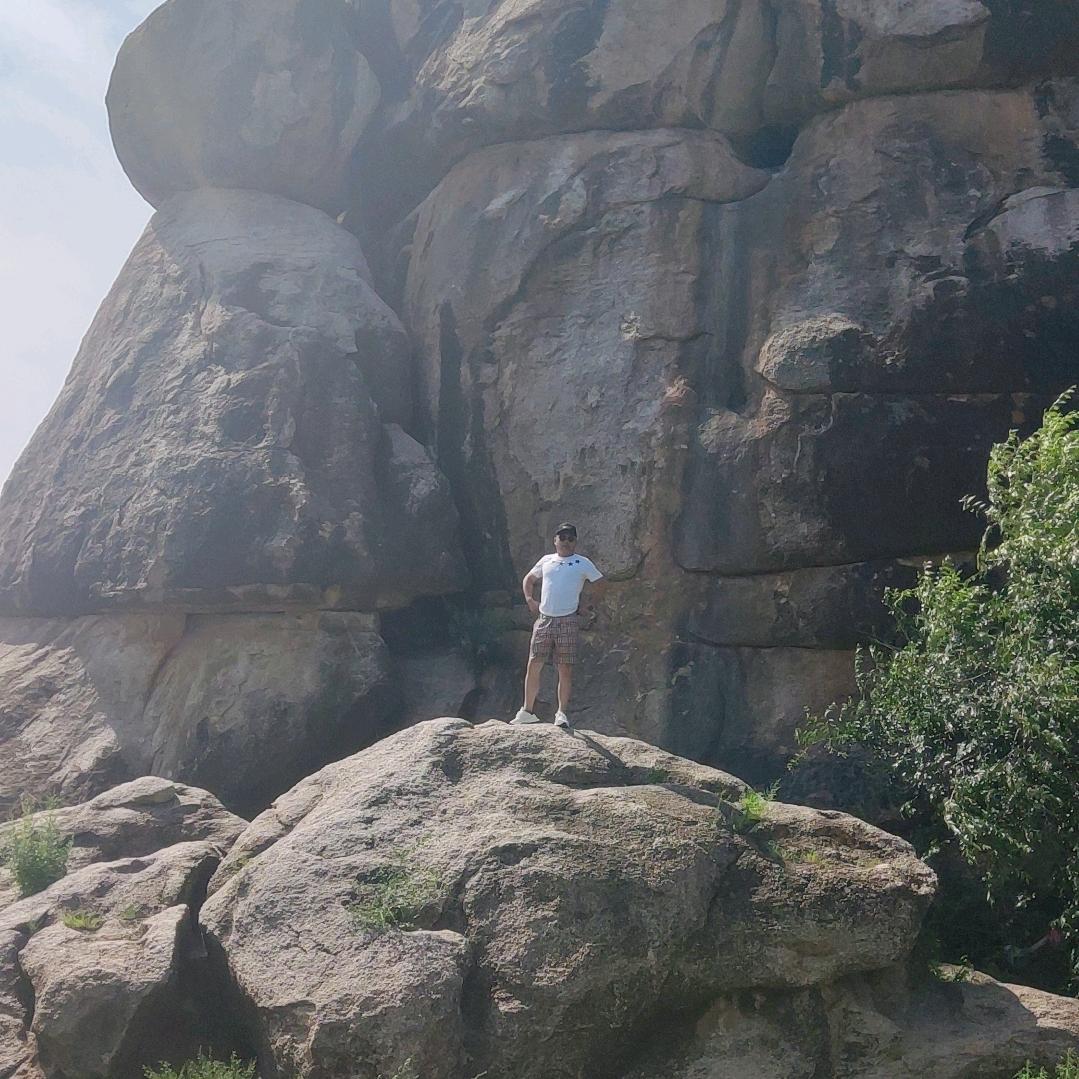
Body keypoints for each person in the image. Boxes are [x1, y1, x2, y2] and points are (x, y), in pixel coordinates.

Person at [512, 523, 605, 730]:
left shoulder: (582, 562)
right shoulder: (546, 561)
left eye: (570, 538)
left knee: (565, 667)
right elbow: (529, 579)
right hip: (545, 619)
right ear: (555, 540)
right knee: (534, 663)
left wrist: (587, 605)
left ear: (575, 542)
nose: (566, 542)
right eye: (562, 537)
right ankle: (527, 711)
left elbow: (600, 583)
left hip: (567, 620)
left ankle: (561, 714)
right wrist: (529, 600)